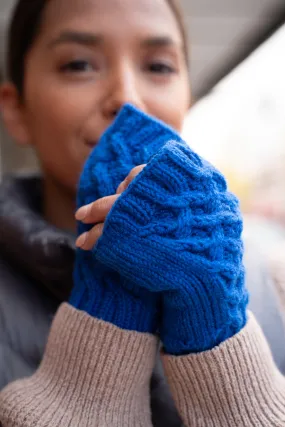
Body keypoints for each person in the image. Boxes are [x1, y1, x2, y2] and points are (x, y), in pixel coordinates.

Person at [0, 0, 285, 426]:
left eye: (159, 67)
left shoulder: (263, 277)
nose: (128, 99)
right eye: (79, 64)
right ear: (16, 108)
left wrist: (217, 315)